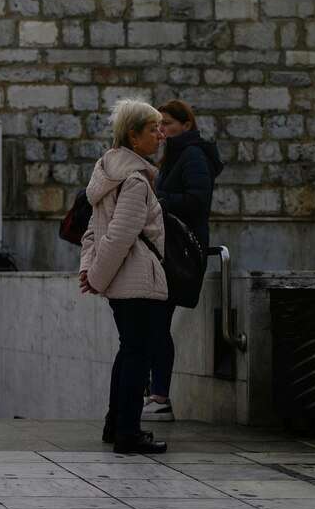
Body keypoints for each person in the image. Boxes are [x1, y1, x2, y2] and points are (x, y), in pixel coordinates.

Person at [78, 98, 169, 455]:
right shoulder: (134, 181)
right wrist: (96, 278)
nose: (160, 136)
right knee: (138, 354)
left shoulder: (106, 173)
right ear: (133, 137)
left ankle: (117, 424)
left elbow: (92, 232)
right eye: (152, 130)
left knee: (129, 351)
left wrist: (90, 270)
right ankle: (128, 433)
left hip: (121, 280)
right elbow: (118, 236)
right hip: (135, 280)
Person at [144, 98, 224, 424]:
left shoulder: (192, 155)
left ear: (186, 125)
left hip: (182, 252)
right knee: (154, 322)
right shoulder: (175, 156)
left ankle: (160, 397)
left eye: (167, 124)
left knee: (158, 322)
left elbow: (197, 201)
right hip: (170, 248)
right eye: (158, 125)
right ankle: (155, 394)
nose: (162, 130)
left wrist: (158, 200)